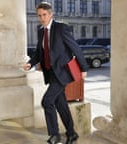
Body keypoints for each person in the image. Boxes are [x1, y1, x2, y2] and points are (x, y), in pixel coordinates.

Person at [23, 2, 89, 144]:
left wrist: (83, 68)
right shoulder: (41, 31)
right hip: (51, 73)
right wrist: (30, 63)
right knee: (60, 104)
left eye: (44, 15)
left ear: (51, 14)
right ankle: (71, 133)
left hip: (63, 72)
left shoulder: (61, 28)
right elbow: (39, 52)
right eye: (39, 15)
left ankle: (55, 135)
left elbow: (75, 48)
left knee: (47, 101)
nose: (42, 18)